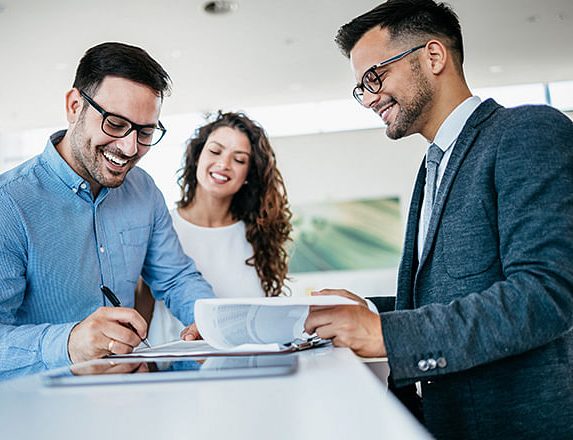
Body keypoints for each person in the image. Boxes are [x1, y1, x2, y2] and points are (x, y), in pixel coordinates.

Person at [304, 1, 573, 438]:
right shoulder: (432, 166)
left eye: (375, 76)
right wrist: (366, 310)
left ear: (433, 57)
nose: (369, 98)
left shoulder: (527, 131)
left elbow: (546, 294)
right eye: (361, 88)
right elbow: (452, 293)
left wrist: (387, 334)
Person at [0, 42, 215, 386]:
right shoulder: (2, 207)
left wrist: (211, 320)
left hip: (127, 402)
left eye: (146, 132)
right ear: (75, 107)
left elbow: (176, 278)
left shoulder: (144, 191)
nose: (130, 148)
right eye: (116, 124)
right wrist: (71, 345)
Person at [146, 111, 292, 344]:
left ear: (248, 174)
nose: (224, 164)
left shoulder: (257, 234)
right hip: (177, 372)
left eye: (239, 159)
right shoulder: (160, 228)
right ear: (197, 156)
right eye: (215, 151)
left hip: (249, 368)